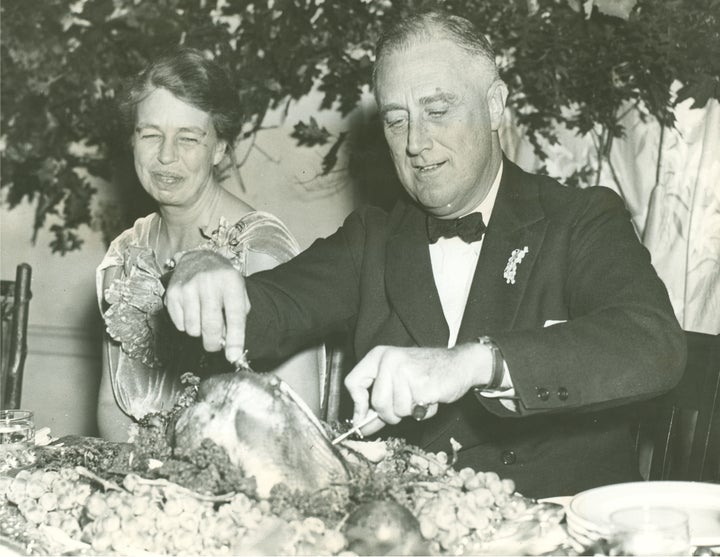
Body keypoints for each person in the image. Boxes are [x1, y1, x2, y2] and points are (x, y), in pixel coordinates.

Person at [164, 13, 686, 498]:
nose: (416, 142)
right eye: (397, 121)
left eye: (437, 111)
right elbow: (270, 306)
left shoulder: (580, 218)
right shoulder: (373, 237)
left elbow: (653, 342)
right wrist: (202, 268)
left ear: (495, 105)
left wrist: (474, 362)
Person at [96, 47, 323, 441]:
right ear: (132, 141)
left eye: (188, 138)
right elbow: (110, 407)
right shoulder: (124, 256)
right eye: (151, 134)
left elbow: (295, 428)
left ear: (219, 149)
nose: (166, 156)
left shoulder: (260, 251)